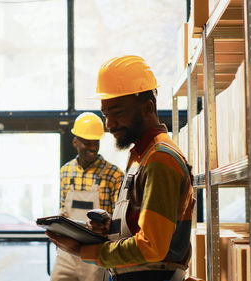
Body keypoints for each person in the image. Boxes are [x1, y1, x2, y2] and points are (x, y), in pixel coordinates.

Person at [47, 55, 195, 281]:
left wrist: (82, 250)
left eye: (117, 113)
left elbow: (151, 247)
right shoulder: (140, 157)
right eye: (106, 115)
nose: (109, 124)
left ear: (148, 107)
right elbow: (141, 226)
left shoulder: (160, 159)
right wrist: (111, 228)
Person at [50, 112, 124, 281]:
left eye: (95, 142)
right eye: (87, 142)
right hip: (66, 253)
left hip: (95, 254)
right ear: (75, 142)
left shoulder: (114, 175)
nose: (92, 147)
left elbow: (119, 221)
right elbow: (64, 209)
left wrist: (106, 225)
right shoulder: (65, 172)